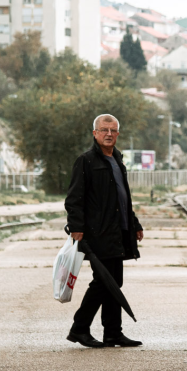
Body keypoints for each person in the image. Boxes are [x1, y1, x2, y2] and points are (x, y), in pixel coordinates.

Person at [64, 113, 144, 348]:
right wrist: (77, 228)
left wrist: (135, 223)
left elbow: (123, 199)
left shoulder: (118, 160)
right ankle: (80, 328)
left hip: (117, 231)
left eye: (113, 130)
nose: (109, 134)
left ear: (118, 134)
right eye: (104, 130)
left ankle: (112, 333)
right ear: (95, 134)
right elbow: (74, 199)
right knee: (103, 281)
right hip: (96, 232)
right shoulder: (86, 161)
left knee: (113, 281)